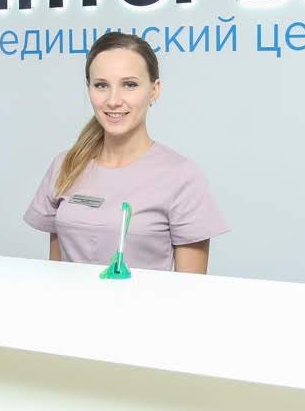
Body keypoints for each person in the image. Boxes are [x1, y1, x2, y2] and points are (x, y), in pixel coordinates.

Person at [23, 31, 228, 273]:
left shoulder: (182, 177)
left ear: (154, 90)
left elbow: (191, 288)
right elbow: (55, 272)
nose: (113, 100)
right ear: (88, 88)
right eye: (101, 85)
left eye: (129, 85)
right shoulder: (65, 165)